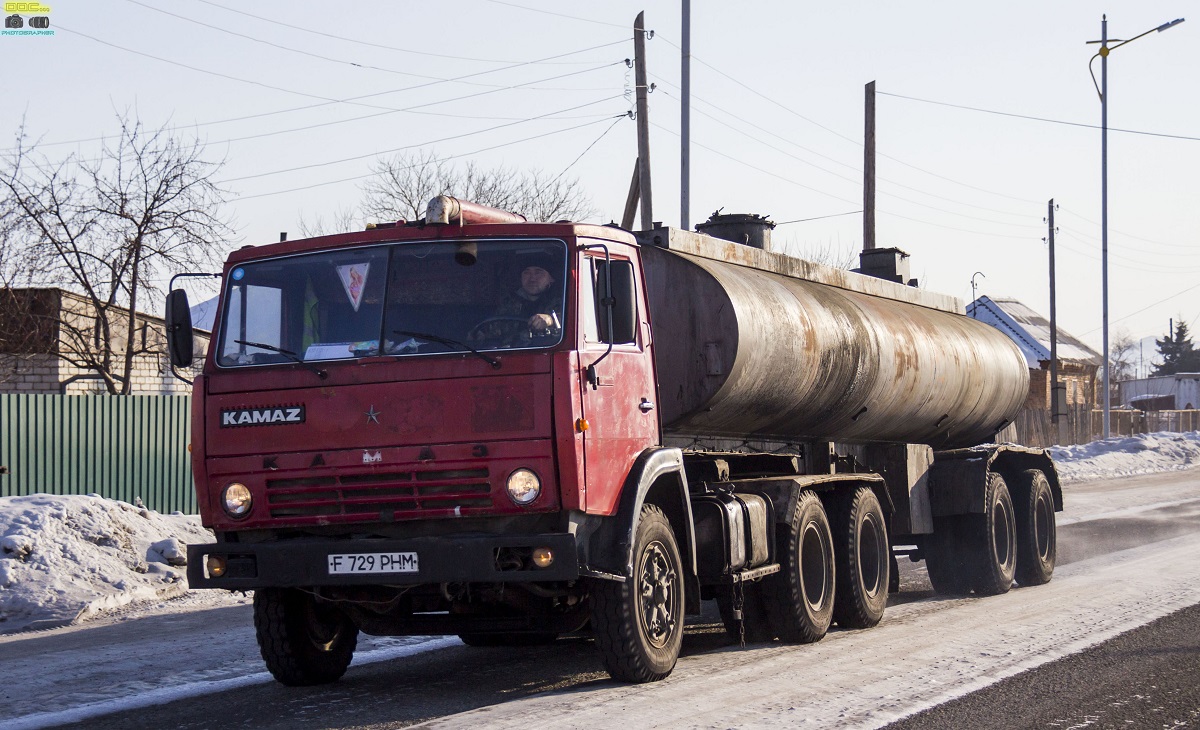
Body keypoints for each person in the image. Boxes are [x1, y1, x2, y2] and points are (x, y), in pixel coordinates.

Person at [475, 253, 562, 343]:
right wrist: (481, 334)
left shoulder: (564, 300)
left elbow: (572, 323)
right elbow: (494, 328)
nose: (532, 279)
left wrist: (550, 320)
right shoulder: (509, 303)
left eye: (538, 272)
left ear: (551, 278)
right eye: (526, 273)